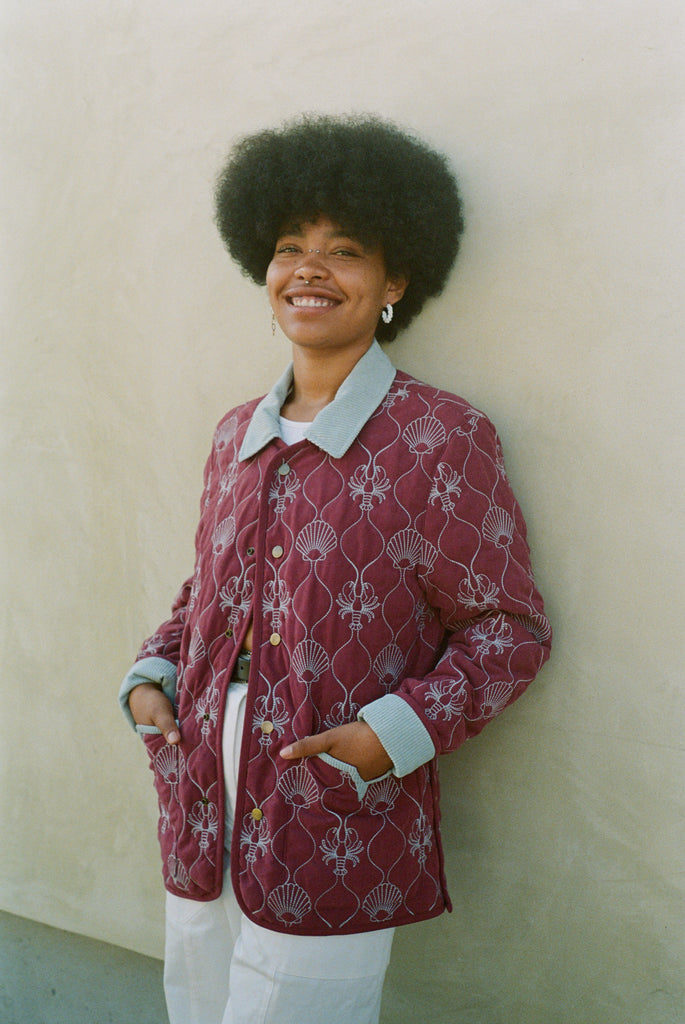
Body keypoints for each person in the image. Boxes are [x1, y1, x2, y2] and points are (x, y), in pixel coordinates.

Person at [119, 114, 551, 1024]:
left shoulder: (438, 435)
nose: (308, 269)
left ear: (396, 280)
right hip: (200, 783)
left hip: (333, 804)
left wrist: (386, 738)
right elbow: (207, 593)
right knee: (194, 1005)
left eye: (344, 250)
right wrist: (151, 678)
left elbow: (507, 631)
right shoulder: (235, 434)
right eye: (288, 248)